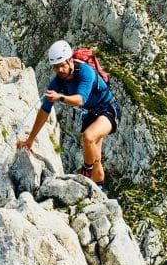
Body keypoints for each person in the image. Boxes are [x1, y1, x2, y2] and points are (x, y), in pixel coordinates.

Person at [16, 40, 120, 186]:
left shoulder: (85, 72)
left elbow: (80, 100)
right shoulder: (57, 82)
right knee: (96, 158)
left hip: (108, 108)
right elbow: (44, 111)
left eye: (62, 65)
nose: (59, 70)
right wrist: (30, 140)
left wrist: (60, 97)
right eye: (55, 67)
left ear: (70, 60)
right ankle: (99, 190)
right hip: (91, 113)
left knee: (88, 137)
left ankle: (85, 171)